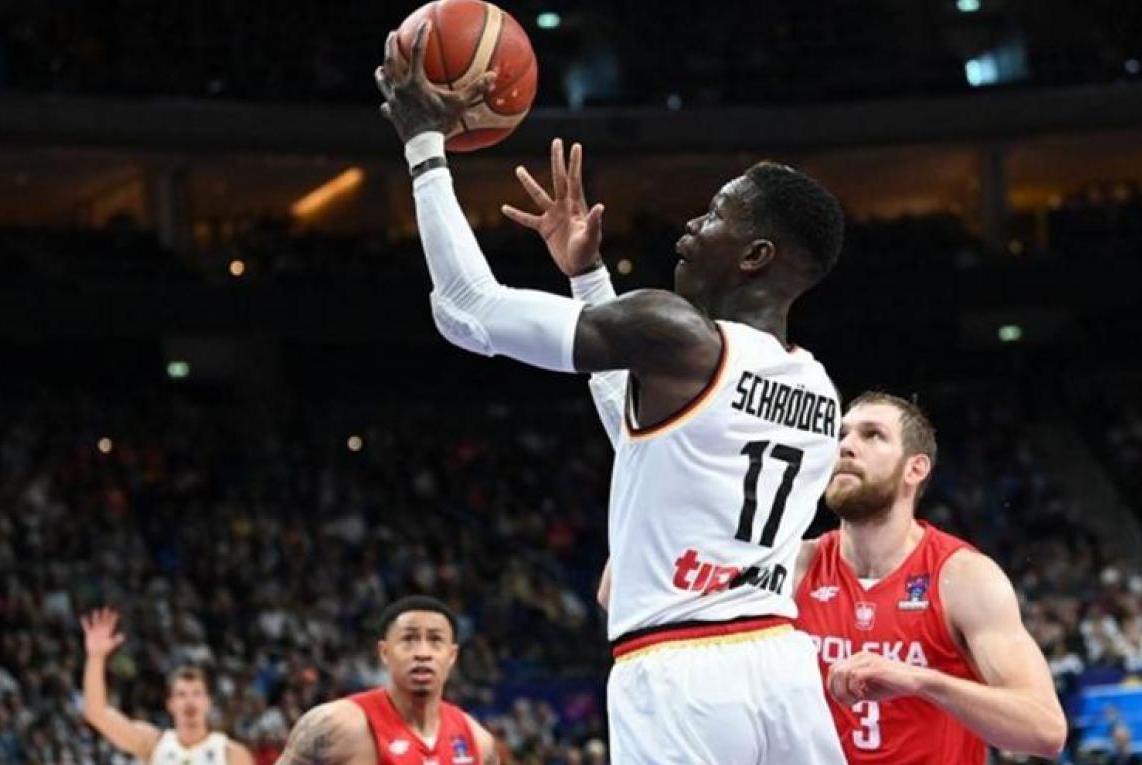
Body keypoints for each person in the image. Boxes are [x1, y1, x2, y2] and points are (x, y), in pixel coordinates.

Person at [376, 25, 848, 764]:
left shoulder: (678, 333)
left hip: (678, 669)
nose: (692, 224)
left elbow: (468, 310)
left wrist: (424, 147)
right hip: (783, 666)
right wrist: (586, 277)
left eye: (716, 214)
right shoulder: (818, 389)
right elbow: (647, 431)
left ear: (757, 255)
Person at [793, 392, 1067, 762]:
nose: (845, 446)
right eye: (842, 434)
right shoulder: (794, 567)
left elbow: (1046, 730)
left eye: (872, 435)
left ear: (915, 468)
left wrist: (920, 680)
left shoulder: (963, 578)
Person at [275, 596, 498, 764]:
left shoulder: (478, 741)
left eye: (435, 640)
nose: (422, 653)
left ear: (452, 656)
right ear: (384, 652)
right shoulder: (335, 726)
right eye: (408, 639)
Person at [80, 608, 254, 765]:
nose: (189, 701)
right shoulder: (153, 744)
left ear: (208, 702)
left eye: (196, 693)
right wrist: (96, 658)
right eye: (182, 695)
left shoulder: (231, 754)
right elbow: (97, 713)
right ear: (170, 704)